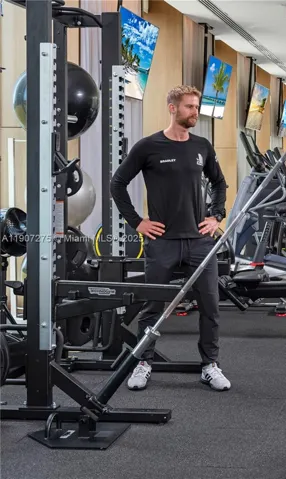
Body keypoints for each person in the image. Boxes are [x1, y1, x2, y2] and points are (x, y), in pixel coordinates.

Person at [111, 85, 231, 392]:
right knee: (153, 306)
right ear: (172, 108)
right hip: (162, 242)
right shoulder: (148, 146)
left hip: (200, 242)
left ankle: (210, 365)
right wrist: (137, 222)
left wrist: (216, 216)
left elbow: (219, 183)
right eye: (189, 106)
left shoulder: (202, 146)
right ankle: (143, 362)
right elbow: (117, 184)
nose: (195, 112)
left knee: (210, 307)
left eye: (197, 106)